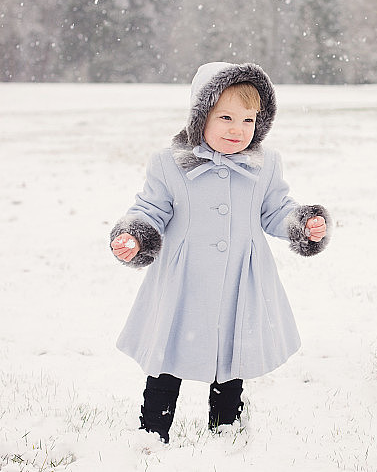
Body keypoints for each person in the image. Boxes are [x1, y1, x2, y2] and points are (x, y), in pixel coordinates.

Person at [109, 62, 331, 443]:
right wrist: (136, 234)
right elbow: (152, 209)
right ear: (200, 116)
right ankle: (152, 431)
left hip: (239, 281)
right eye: (225, 117)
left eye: (248, 120)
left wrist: (302, 223)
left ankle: (226, 428)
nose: (236, 129)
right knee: (168, 354)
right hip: (184, 282)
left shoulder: (264, 165)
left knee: (232, 355)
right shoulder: (169, 164)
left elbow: (276, 210)